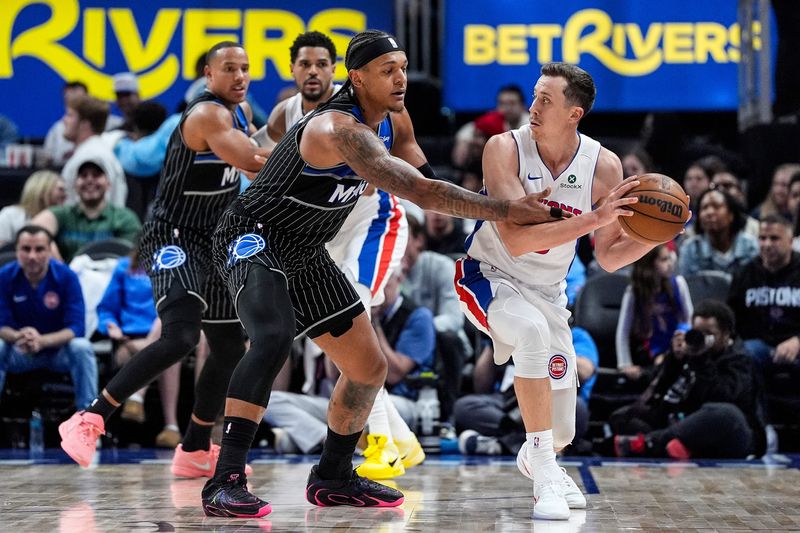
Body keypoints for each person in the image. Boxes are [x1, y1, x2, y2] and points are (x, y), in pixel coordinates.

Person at [204, 30, 562, 518]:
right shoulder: (338, 129)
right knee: (271, 337)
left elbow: (428, 177)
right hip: (255, 235)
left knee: (368, 367)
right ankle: (224, 480)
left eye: (403, 66)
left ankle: (332, 474)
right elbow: (420, 190)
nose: (401, 78)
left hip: (306, 249)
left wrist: (478, 210)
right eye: (387, 70)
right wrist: (504, 209)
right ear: (356, 77)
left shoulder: (395, 118)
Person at [454, 62, 657, 520]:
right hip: (488, 274)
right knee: (527, 334)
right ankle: (545, 470)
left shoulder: (602, 164)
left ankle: (540, 454)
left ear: (574, 113)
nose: (533, 107)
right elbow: (516, 238)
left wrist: (652, 237)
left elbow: (607, 256)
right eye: (535, 96)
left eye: (546, 99)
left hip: (548, 293)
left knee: (562, 426)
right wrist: (595, 219)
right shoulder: (503, 148)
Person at [57, 41, 269, 476]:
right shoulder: (206, 113)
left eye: (246, 68)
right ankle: (90, 417)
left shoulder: (243, 113)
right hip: (173, 237)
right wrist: (328, 154)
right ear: (207, 76)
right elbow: (254, 162)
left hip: (215, 239)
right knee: (181, 336)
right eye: (230, 68)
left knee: (229, 344)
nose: (241, 76)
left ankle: (193, 447)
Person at [265, 31, 425, 481]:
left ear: (338, 71)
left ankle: (382, 446)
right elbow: (258, 152)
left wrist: (429, 184)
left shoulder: (378, 108)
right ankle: (402, 439)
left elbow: (408, 146)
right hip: (324, 229)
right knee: (340, 341)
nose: (313, 71)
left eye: (322, 63)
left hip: (374, 222)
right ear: (294, 70)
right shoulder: (287, 115)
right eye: (305, 64)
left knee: (350, 314)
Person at [611, 300, 767, 459]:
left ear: (726, 334)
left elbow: (721, 397)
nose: (702, 338)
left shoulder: (741, 360)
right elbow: (659, 391)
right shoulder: (690, 350)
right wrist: (674, 360)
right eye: (698, 331)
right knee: (622, 417)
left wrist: (702, 361)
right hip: (685, 423)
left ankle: (651, 443)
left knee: (725, 413)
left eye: (709, 333)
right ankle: (680, 445)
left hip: (731, 432)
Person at [0, 225, 96, 411]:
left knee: (82, 347)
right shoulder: (4, 276)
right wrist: (20, 336)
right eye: (26, 249)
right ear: (17, 250)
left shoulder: (67, 277)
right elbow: (1, 324)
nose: (32, 256)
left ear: (50, 250)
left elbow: (76, 328)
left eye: (39, 249)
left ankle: (88, 421)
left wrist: (43, 341)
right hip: (20, 352)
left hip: (57, 354)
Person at [95, 248, 184, 448]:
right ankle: (172, 426)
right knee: (168, 355)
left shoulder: (179, 265)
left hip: (167, 334)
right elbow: (106, 309)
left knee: (169, 342)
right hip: (128, 340)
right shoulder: (124, 267)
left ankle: (142, 401)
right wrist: (111, 326)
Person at [727, 214, 800, 375]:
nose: (767, 244)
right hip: (757, 345)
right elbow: (731, 317)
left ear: (790, 241)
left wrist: (797, 342)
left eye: (774, 238)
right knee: (743, 356)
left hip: (795, 342)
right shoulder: (745, 273)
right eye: (762, 238)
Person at [32, 158, 142, 263]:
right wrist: (62, 271)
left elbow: (130, 259)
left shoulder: (125, 218)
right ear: (75, 185)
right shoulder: (63, 214)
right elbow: (32, 231)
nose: (89, 180)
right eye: (83, 175)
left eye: (96, 175)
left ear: (108, 184)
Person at [615, 245, 693, 381]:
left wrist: (682, 335)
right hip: (649, 347)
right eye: (663, 260)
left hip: (677, 343)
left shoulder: (679, 284)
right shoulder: (634, 292)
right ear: (649, 265)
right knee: (658, 365)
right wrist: (625, 364)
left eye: (669, 258)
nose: (670, 264)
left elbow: (689, 320)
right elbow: (623, 331)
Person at [60, 94, 128, 208]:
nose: (64, 120)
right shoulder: (95, 151)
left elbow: (93, 212)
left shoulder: (91, 156)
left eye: (70, 115)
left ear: (85, 124)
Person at [677, 188, 759, 277]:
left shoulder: (750, 246)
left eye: (716, 206)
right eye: (704, 208)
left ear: (731, 215)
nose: (709, 212)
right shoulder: (690, 249)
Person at [0, 171, 66, 246]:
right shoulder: (10, 215)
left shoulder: (65, 219)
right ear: (42, 190)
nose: (65, 195)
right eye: (61, 189)